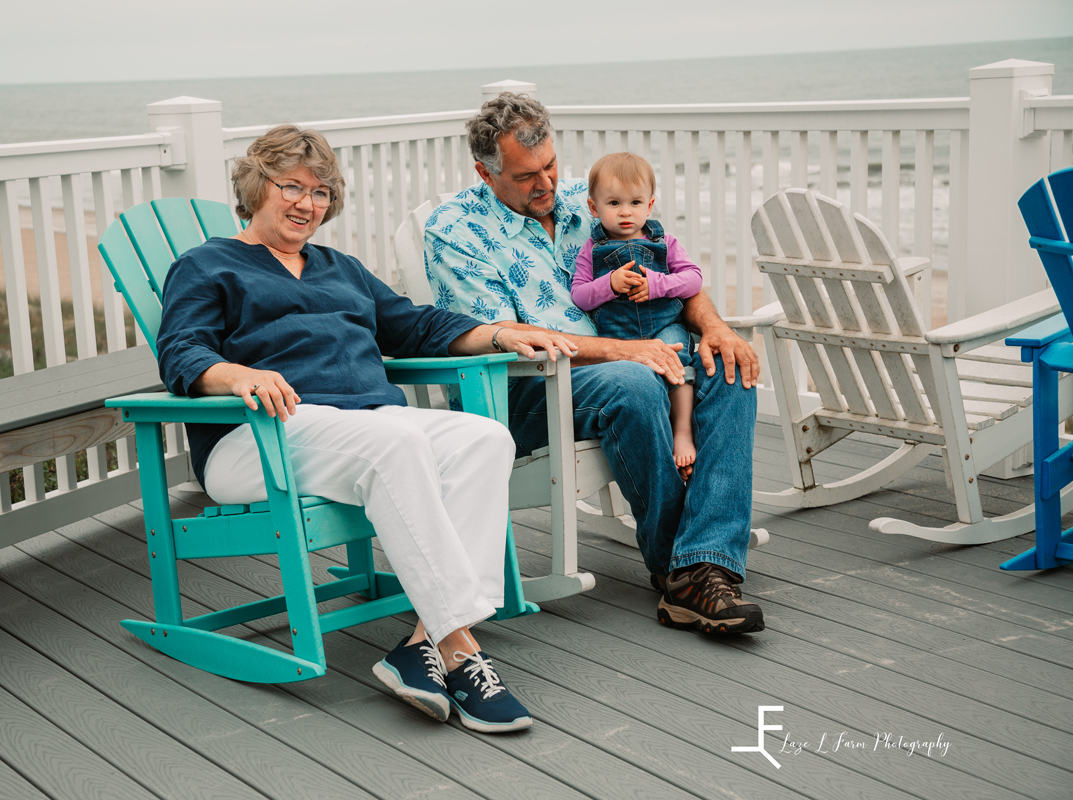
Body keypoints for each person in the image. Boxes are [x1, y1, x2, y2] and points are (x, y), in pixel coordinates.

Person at [157, 124, 576, 732]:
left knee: (485, 438)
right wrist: (236, 375)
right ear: (255, 188)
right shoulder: (206, 265)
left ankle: (421, 644)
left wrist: (501, 334)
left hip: (361, 427)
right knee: (397, 442)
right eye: (292, 187)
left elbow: (414, 326)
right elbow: (182, 352)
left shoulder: (340, 268)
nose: (307, 203)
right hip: (257, 436)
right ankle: (461, 649)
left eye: (322, 191)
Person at [425, 94, 765, 635]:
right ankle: (688, 567)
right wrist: (621, 351)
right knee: (632, 381)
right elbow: (500, 340)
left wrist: (715, 326)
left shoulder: (592, 198)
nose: (546, 184)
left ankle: (703, 567)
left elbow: (670, 270)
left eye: (551, 166)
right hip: (522, 388)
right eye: (525, 176)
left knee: (728, 368)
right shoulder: (456, 231)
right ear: (485, 174)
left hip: (634, 354)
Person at [571, 152, 702, 472]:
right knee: (636, 381)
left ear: (650, 205)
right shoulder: (592, 249)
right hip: (619, 336)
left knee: (677, 360)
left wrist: (658, 285)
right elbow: (579, 295)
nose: (625, 212)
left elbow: (693, 279)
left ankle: (682, 431)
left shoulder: (664, 242)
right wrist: (610, 284)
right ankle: (656, 436)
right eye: (613, 203)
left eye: (635, 203)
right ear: (594, 207)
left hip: (663, 325)